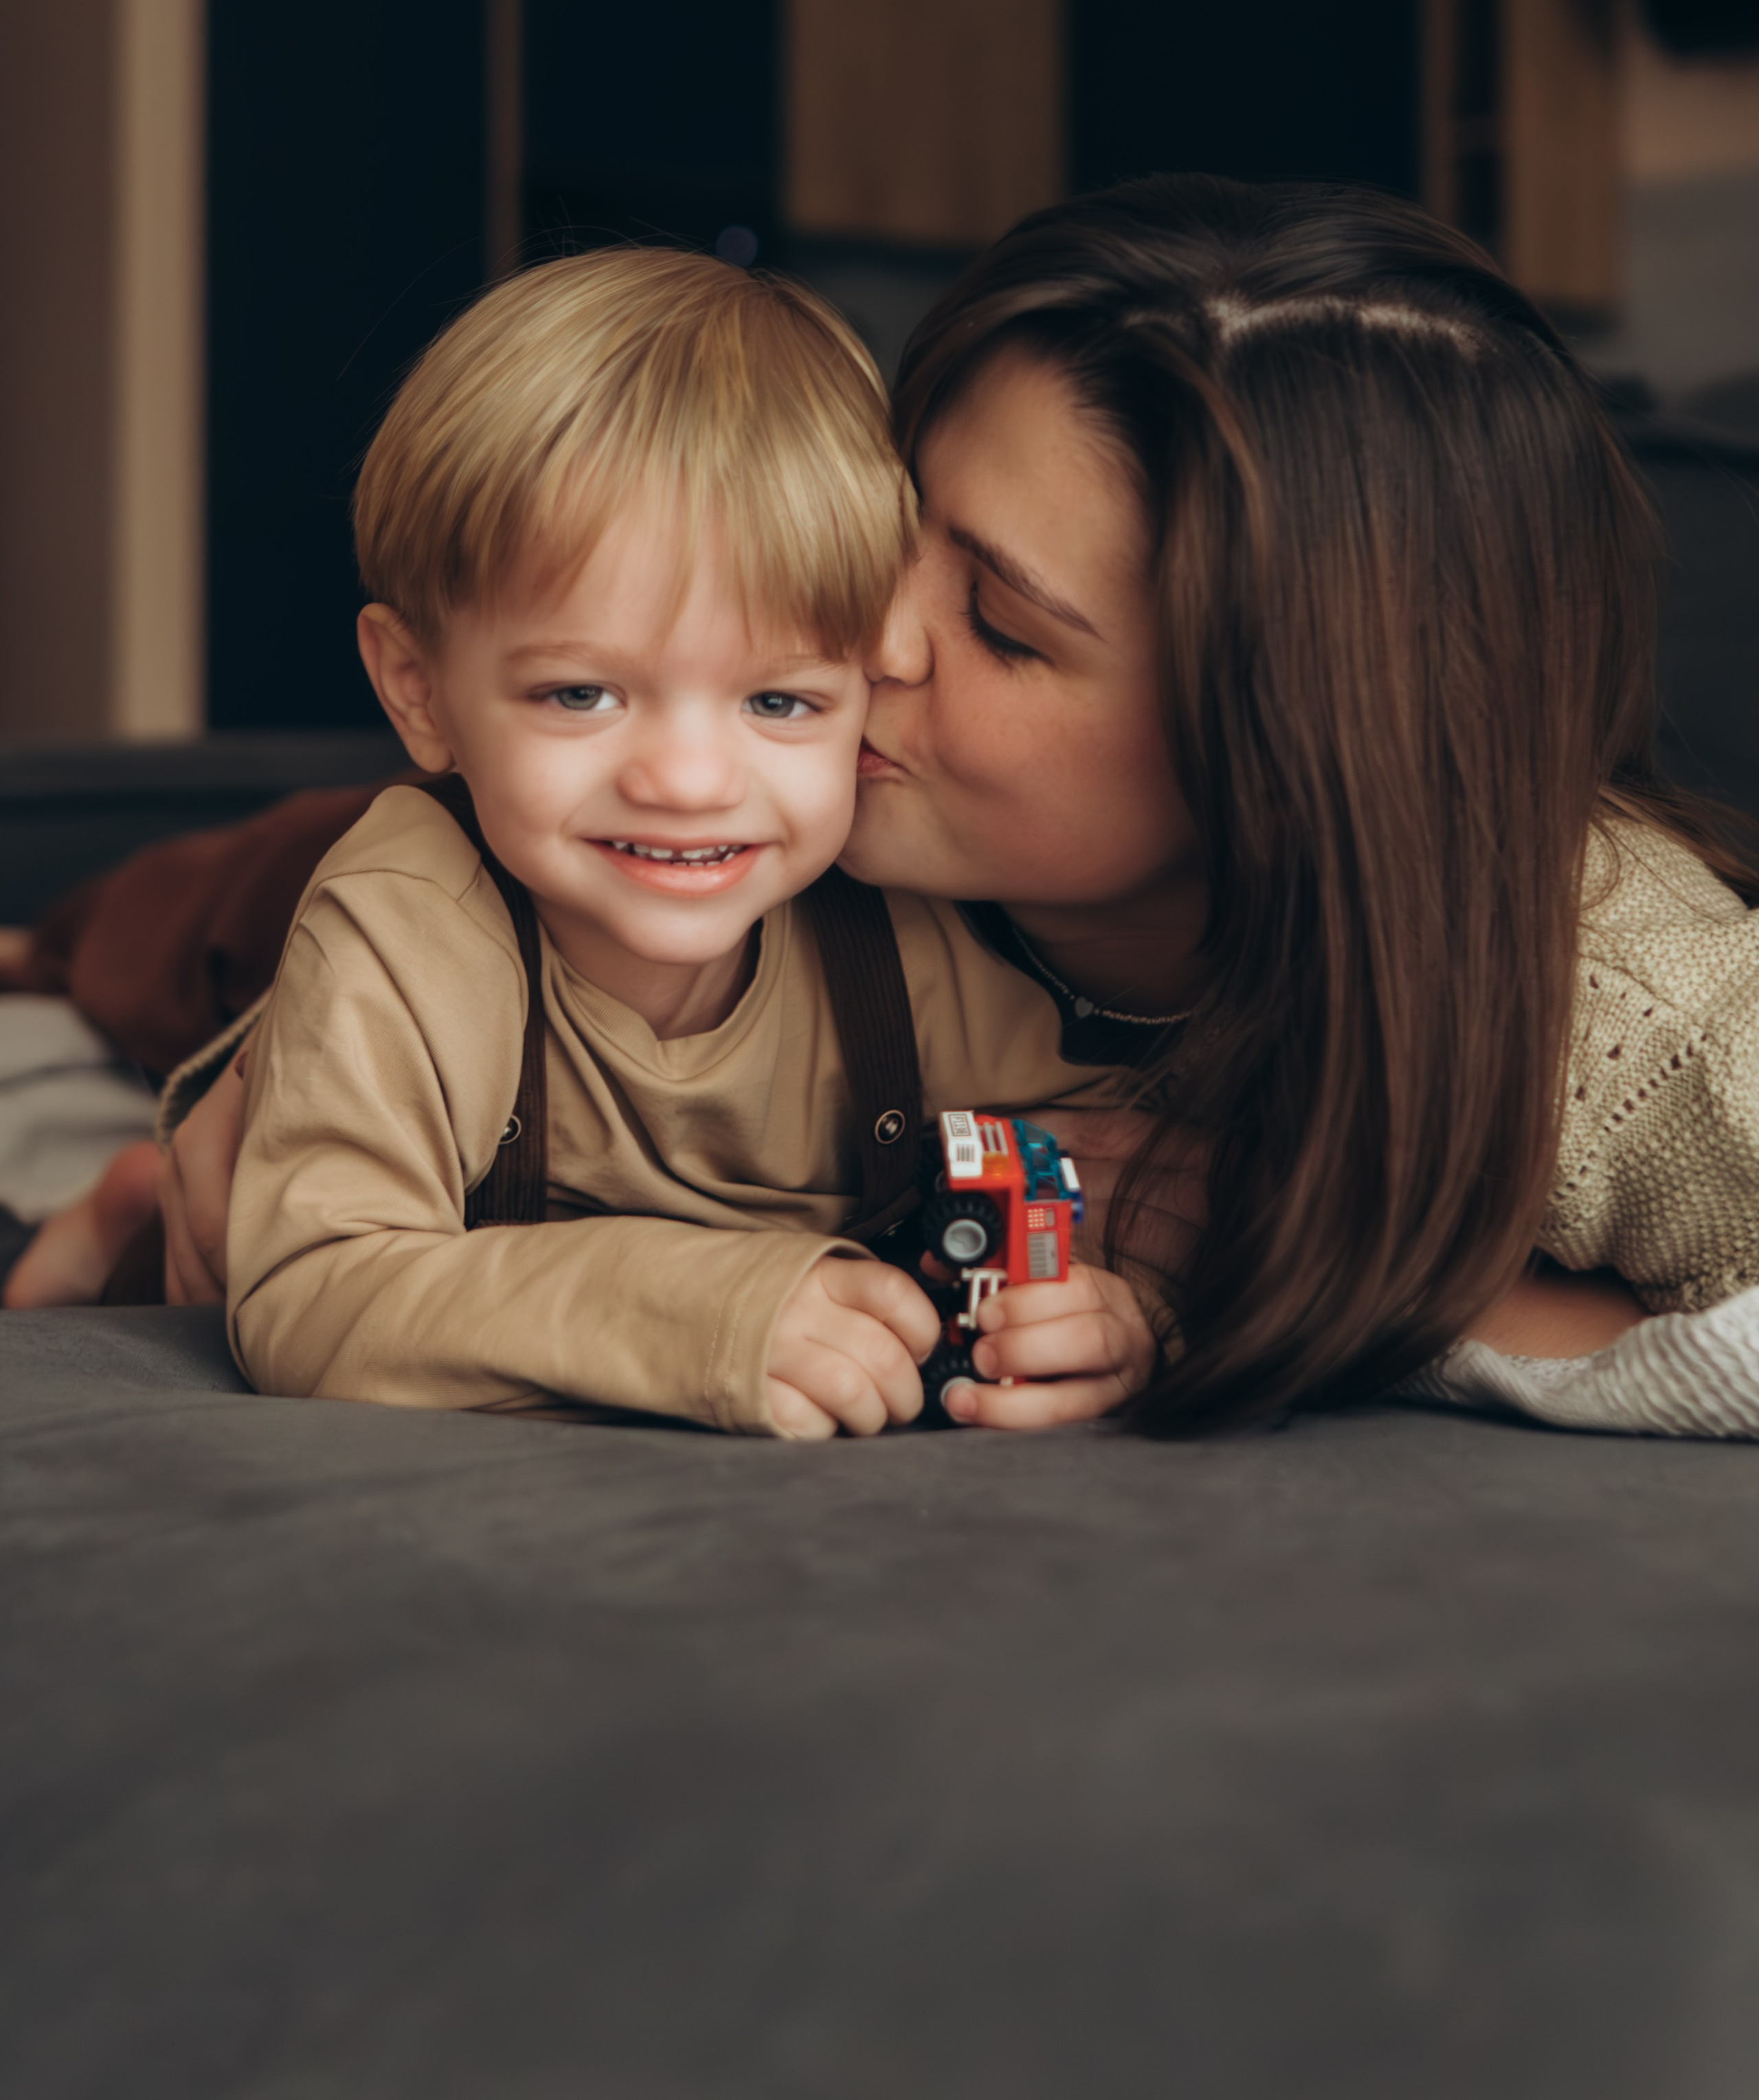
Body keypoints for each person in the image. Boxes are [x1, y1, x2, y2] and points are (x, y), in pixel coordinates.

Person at [14, 177, 1759, 1433]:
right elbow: (349, 1106)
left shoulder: (1625, 1011)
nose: (853, 637)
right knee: (219, 912)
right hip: (446, 930)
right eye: (891, 521)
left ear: (1284, 760)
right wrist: (260, 1081)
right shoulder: (708, 773)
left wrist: (1333, 1268)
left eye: (996, 622)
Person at [201, 245, 1154, 1438]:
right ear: (420, 692)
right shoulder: (406, 927)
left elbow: (1131, 1184)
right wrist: (707, 1312)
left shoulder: (891, 941)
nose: (692, 784)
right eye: (582, 695)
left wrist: (1112, 1319)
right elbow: (309, 1293)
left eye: (779, 704)